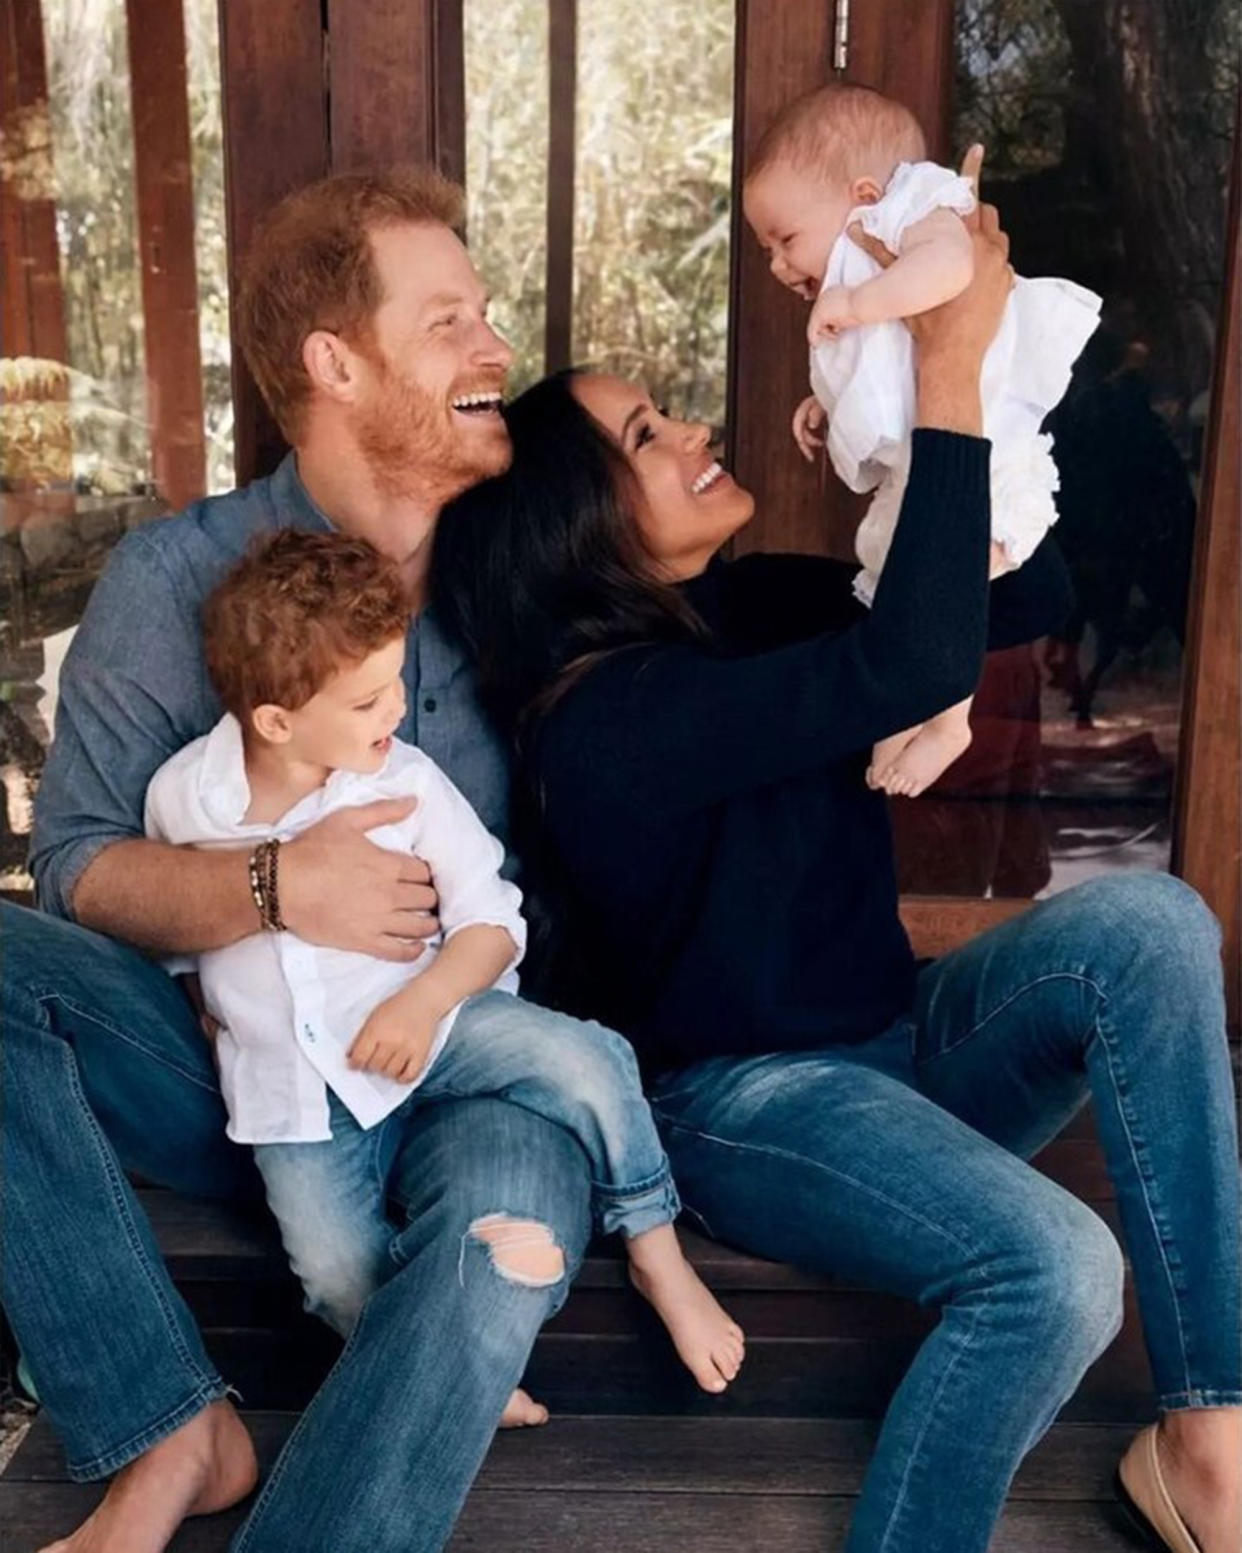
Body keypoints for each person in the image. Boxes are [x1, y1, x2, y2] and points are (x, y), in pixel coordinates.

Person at [431, 170, 1242, 1553]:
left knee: (1153, 926)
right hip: (751, 1105)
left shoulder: (745, 606)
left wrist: (896, 461)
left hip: (905, 1044)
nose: (691, 428)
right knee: (1051, 1269)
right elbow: (909, 659)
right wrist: (939, 354)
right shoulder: (601, 721)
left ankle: (1206, 1438)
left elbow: (1020, 598)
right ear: (575, 521)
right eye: (646, 430)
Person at [8, 166, 610, 1553]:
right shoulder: (178, 580)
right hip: (245, 1073)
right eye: (447, 317)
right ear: (336, 364)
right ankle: (167, 1426)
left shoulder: (517, 573)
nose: (493, 348)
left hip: (467, 1057)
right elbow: (78, 862)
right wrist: (275, 890)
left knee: (495, 1240)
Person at [144, 526, 742, 1396]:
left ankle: (656, 1249)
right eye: (366, 700)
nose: (395, 709)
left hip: (439, 1017)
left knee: (590, 1060)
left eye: (396, 680)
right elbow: (175, 919)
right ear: (276, 720)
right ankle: (443, 1369)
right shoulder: (185, 798)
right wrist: (201, 991)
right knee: (330, 1267)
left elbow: (493, 923)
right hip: (296, 1092)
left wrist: (423, 1003)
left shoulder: (407, 783)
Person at [742, 85, 1100, 797]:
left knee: (947, 579)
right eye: (766, 251)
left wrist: (857, 301)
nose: (780, 266)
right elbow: (889, 368)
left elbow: (951, 272)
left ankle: (948, 719)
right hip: (930, 456)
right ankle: (909, 706)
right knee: (895, 575)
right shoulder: (868, 266)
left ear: (865, 194)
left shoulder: (918, 211)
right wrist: (826, 403)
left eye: (786, 239)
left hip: (988, 452)